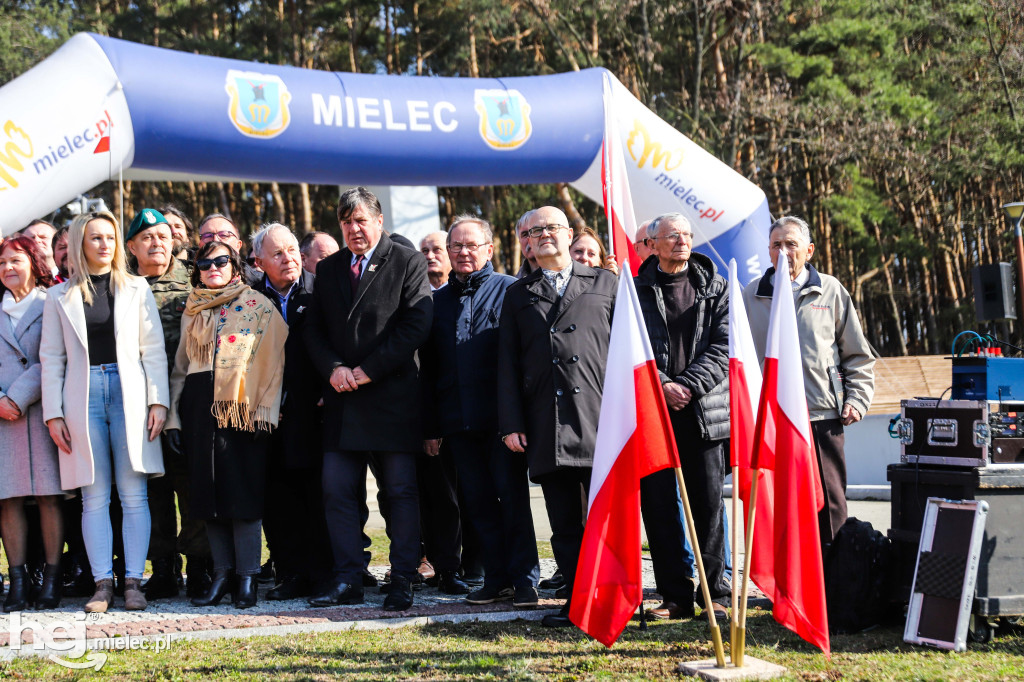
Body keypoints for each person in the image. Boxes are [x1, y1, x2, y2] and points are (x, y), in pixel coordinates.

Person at [305, 187, 432, 612]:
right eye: (346, 222)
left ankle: (403, 579)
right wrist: (335, 368)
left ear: (379, 220)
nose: (354, 229)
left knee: (399, 492)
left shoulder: (407, 260)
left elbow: (416, 323)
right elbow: (314, 332)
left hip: (391, 395)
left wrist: (368, 370)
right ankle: (348, 579)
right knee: (338, 491)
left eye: (361, 220)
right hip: (343, 397)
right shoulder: (329, 269)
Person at [40, 210, 169, 613]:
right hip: (83, 396)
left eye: (110, 238)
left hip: (130, 394)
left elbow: (154, 350)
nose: (104, 244)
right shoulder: (58, 296)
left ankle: (132, 582)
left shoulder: (135, 288)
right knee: (93, 497)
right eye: (95, 237)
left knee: (134, 494)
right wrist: (53, 413)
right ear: (80, 242)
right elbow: (51, 358)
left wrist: (158, 401)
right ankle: (101, 585)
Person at [497, 205, 616, 628]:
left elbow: (627, 357)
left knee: (603, 520)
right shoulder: (517, 294)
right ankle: (578, 603)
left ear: (569, 234)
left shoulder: (607, 284)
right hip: (546, 423)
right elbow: (507, 364)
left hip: (600, 420)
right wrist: (511, 423)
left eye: (551, 227)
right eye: (534, 230)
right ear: (525, 242)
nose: (543, 234)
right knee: (564, 524)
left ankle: (611, 599)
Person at [421, 215, 540, 608]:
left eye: (472, 245)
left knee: (512, 499)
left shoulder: (512, 291)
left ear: (489, 249)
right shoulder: (436, 303)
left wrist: (517, 419)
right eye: (456, 246)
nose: (463, 252)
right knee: (478, 504)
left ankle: (524, 580)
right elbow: (432, 367)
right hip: (457, 422)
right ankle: (496, 579)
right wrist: (433, 426)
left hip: (502, 422)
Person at [165, 241, 287, 609]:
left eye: (221, 260)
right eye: (205, 262)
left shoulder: (258, 305)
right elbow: (179, 369)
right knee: (208, 496)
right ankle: (222, 576)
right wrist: (173, 417)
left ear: (235, 266)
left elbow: (276, 356)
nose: (213, 267)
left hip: (243, 409)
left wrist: (264, 406)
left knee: (242, 495)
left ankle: (247, 579)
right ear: (197, 269)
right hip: (198, 405)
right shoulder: (192, 310)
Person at [743, 215, 875, 550]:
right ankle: (785, 592)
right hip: (772, 421)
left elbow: (857, 354)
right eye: (776, 245)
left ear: (809, 251)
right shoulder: (749, 296)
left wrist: (857, 399)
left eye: (791, 244)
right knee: (780, 507)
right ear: (768, 251)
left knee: (830, 505)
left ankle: (833, 592)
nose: (783, 251)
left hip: (822, 417)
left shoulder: (830, 290)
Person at [634, 212, 732, 620]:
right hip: (654, 411)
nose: (682, 241)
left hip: (704, 411)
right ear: (652, 244)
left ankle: (715, 595)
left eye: (687, 235)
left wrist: (686, 386)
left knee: (708, 505)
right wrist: (662, 385)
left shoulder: (715, 286)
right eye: (672, 236)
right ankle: (674, 596)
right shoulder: (635, 289)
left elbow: (724, 346)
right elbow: (626, 346)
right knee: (658, 504)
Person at [124, 208, 211, 601]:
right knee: (152, 493)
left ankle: (198, 569)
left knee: (191, 490)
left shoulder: (194, 284)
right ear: (132, 247)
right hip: (134, 408)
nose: (157, 243)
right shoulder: (121, 289)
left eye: (162, 236)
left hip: (184, 407)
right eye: (147, 238)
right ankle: (162, 570)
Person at [250, 223, 333, 600]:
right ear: (259, 261)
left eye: (292, 251)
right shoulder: (249, 300)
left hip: (314, 413)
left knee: (318, 497)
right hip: (266, 418)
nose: (289, 259)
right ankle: (290, 573)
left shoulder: (322, 292)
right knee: (278, 499)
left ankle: (324, 574)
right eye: (278, 253)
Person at [0, 236, 63, 611]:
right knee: (7, 498)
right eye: (2, 262)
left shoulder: (51, 302)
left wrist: (16, 398)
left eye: (16, 260)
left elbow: (52, 357)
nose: (8, 267)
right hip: (2, 420)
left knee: (48, 497)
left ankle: (51, 580)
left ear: (33, 262)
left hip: (41, 413)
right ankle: (19, 582)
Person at [196, 214, 260, 285]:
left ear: (238, 245)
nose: (215, 240)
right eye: (207, 236)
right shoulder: (188, 284)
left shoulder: (259, 283)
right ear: (200, 246)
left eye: (224, 235)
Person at [514, 210, 536, 278]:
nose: (530, 239)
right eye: (525, 234)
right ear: (519, 241)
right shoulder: (514, 285)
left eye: (535, 232)